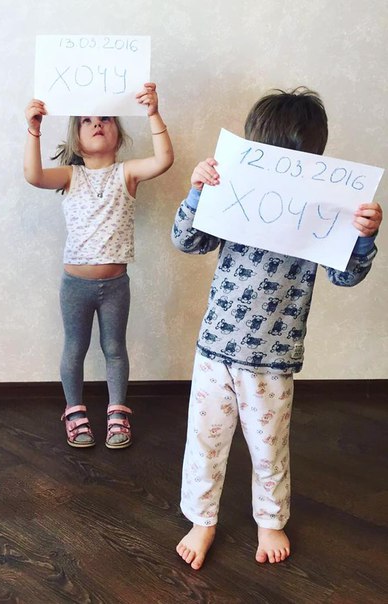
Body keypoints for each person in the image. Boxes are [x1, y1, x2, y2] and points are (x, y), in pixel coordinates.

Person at [171, 87, 383, 569]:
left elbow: (346, 276)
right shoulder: (234, 190)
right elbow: (187, 240)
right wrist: (198, 191)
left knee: (269, 447)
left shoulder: (324, 209)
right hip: (215, 348)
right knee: (204, 441)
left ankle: (270, 519)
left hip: (273, 358)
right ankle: (202, 519)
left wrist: (363, 237)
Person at [24, 83, 174, 449]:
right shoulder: (70, 175)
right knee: (74, 347)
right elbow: (34, 176)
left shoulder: (127, 172)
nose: (97, 124)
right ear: (76, 137)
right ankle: (74, 411)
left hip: (116, 285)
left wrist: (153, 113)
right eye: (87, 120)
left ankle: (117, 411)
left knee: (114, 348)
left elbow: (164, 160)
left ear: (118, 133)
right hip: (75, 285)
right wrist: (34, 130)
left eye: (105, 118)